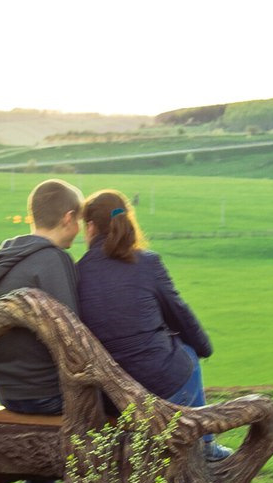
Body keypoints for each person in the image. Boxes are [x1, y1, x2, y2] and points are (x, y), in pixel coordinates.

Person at [75, 189, 233, 461]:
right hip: (162, 387)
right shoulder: (147, 263)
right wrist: (204, 347)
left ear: (89, 227)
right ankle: (206, 445)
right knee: (189, 356)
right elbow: (179, 313)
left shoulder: (76, 273)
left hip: (110, 399)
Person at [0, 178, 83, 483]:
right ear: (69, 218)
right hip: (46, 394)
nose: (80, 231)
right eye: (79, 222)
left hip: (10, 391)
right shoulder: (53, 261)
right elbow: (73, 335)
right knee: (116, 407)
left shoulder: (4, 262)